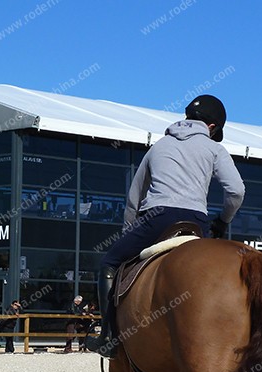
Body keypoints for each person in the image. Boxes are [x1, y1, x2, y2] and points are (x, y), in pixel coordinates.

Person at [84, 94, 245, 358]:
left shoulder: (158, 146)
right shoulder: (215, 149)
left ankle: (109, 336)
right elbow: (236, 191)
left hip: (155, 219)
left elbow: (133, 198)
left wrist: (130, 231)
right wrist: (223, 219)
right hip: (195, 222)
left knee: (110, 263)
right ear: (213, 127)